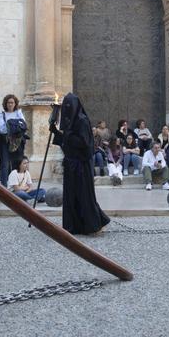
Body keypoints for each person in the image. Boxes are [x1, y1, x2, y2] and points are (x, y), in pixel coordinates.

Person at [51, 93, 110, 235]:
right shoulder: (69, 122)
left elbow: (84, 144)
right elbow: (66, 143)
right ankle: (73, 226)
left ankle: (93, 225)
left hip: (81, 165)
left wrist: (66, 136)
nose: (67, 109)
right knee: (72, 196)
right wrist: (56, 132)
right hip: (71, 164)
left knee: (85, 196)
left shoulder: (82, 121)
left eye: (69, 106)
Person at [0, 94, 26, 186]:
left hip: (18, 141)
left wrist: (11, 127)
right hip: (5, 141)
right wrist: (15, 127)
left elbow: (23, 125)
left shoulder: (19, 113)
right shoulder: (1, 115)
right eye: (8, 102)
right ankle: (4, 185)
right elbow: (1, 129)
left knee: (17, 162)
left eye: (12, 102)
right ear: (5, 103)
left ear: (15, 103)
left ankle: (17, 184)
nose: (10, 104)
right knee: (5, 163)